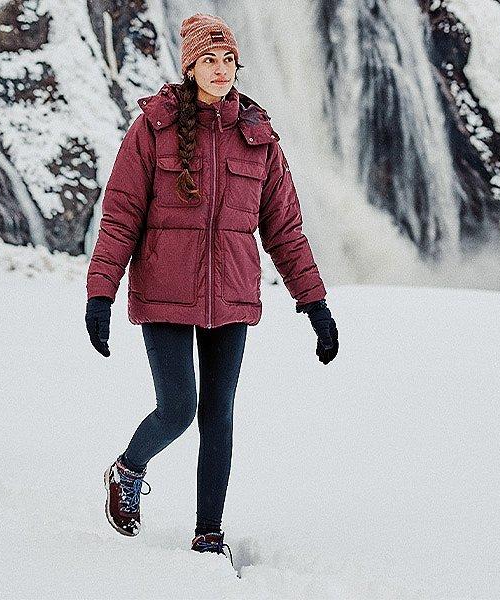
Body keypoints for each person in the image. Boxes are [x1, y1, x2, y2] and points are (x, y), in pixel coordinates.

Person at [85, 14, 339, 556]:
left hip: (232, 295)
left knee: (218, 415)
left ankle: (208, 533)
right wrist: (100, 294)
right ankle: (129, 468)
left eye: (228, 60)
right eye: (209, 60)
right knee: (178, 407)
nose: (220, 70)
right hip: (164, 292)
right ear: (190, 67)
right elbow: (121, 216)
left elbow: (285, 231)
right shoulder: (152, 128)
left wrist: (315, 306)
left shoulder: (258, 138)